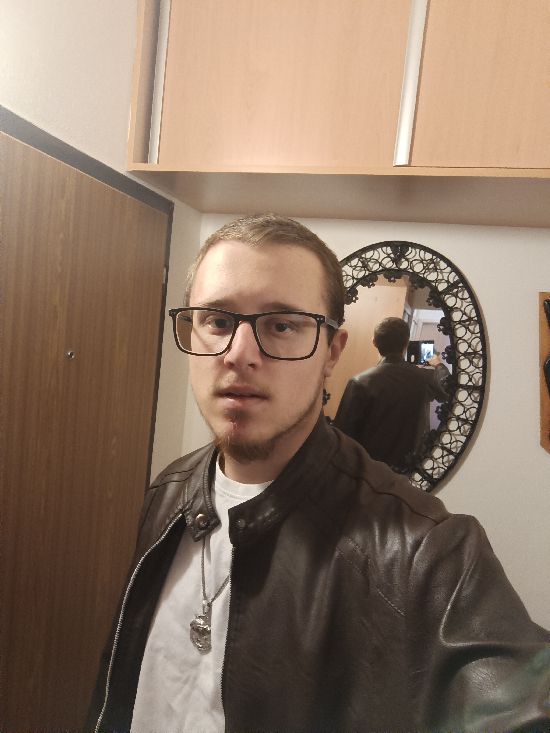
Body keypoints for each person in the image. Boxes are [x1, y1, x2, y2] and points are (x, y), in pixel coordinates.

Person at [88, 214, 550, 733]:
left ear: (332, 351)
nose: (239, 355)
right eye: (217, 321)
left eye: (282, 325)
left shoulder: (429, 553)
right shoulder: (170, 490)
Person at [334, 316, 451, 471]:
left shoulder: (359, 382)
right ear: (406, 343)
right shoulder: (425, 378)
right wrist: (437, 364)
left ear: (374, 342)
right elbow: (448, 392)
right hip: (412, 469)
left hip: (370, 471)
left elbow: (342, 436)